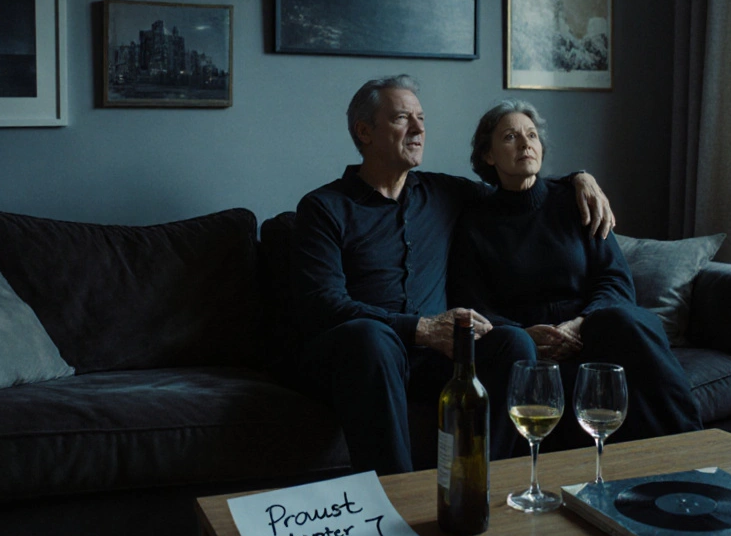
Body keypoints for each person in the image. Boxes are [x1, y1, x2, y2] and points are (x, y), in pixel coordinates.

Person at [290, 76, 616, 475]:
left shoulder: (445, 194)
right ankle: (396, 502)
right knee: (371, 336)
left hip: (434, 360)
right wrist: (420, 328)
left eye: (421, 118)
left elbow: (517, 184)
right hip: (357, 356)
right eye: (401, 118)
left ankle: (479, 483)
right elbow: (322, 304)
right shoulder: (323, 208)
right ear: (364, 132)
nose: (418, 128)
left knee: (512, 342)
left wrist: (579, 178)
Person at [448, 100, 701, 451]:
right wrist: (524, 333)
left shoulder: (575, 200)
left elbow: (615, 278)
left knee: (629, 322)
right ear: (488, 156)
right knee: (516, 347)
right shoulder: (475, 224)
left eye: (532, 135)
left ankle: (693, 449)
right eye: (510, 136)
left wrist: (582, 322)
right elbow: (472, 301)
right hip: (526, 341)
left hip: (592, 329)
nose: (525, 144)